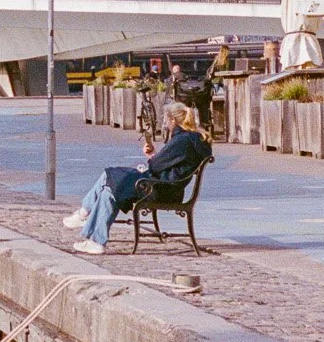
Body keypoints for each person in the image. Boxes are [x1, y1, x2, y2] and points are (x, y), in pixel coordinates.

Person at [62, 102, 212, 255]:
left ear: (173, 120)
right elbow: (169, 163)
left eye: (166, 120)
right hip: (168, 187)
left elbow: (156, 165)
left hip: (160, 188)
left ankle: (86, 218)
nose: (165, 124)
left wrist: (151, 158)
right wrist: (153, 157)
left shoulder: (181, 141)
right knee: (110, 188)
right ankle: (93, 238)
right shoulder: (193, 139)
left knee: (111, 177)